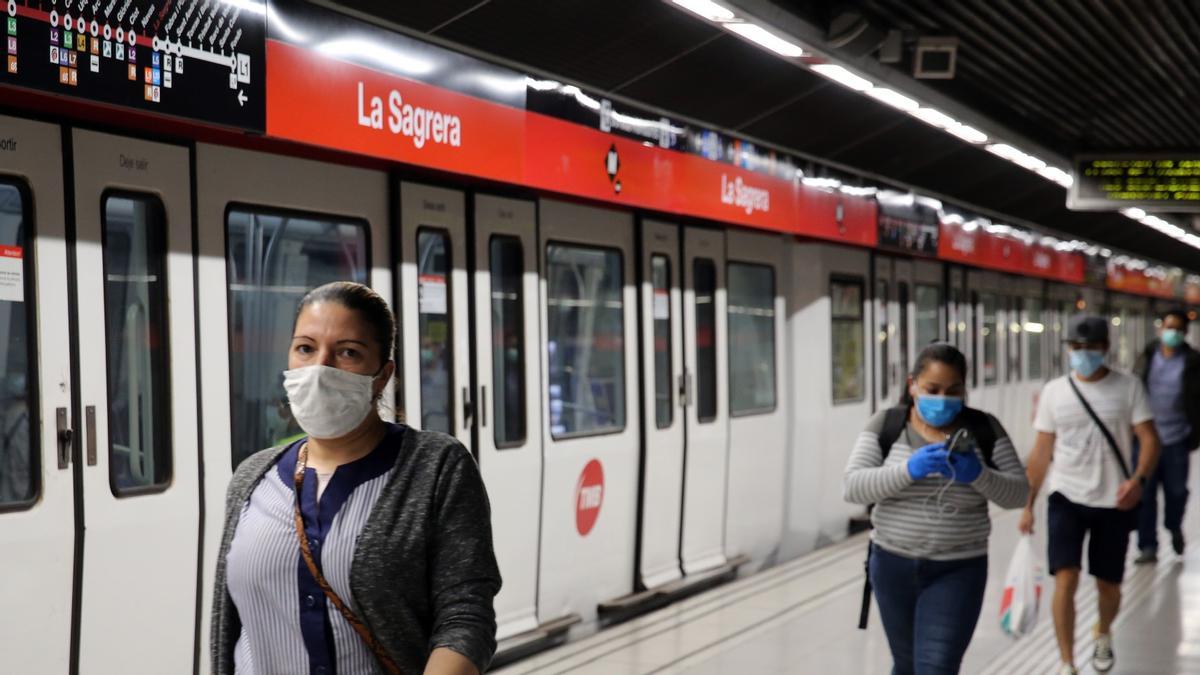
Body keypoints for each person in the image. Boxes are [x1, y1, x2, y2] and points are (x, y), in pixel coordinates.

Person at [211, 281, 501, 675]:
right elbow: (231, 629)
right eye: (306, 348)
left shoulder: (437, 467)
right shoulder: (252, 478)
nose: (320, 368)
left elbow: (466, 615)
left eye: (348, 352)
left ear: (382, 375)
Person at [844, 342, 1029, 675]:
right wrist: (908, 470)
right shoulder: (887, 425)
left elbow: (1017, 493)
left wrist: (978, 474)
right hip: (891, 564)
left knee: (937, 666)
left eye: (953, 390)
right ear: (912, 384)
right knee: (907, 664)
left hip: (957, 568)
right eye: (932, 389)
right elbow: (853, 486)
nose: (942, 398)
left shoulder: (984, 430)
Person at [1019, 315, 1160, 675]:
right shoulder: (1054, 392)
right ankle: (1067, 662)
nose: (1083, 354)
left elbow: (1149, 439)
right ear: (1068, 349)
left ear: (1105, 349)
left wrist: (1139, 479)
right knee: (1065, 577)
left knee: (1108, 585)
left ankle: (1104, 631)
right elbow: (1041, 452)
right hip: (1065, 497)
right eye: (1076, 348)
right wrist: (1028, 504)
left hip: (1114, 500)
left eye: (1091, 348)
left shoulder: (1128, 387)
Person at [1132, 308, 1200, 563]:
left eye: (1177, 329)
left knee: (1176, 491)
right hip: (1145, 438)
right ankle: (1147, 546)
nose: (1171, 333)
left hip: (1176, 439)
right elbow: (1134, 388)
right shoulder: (1148, 356)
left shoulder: (1193, 362)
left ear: (1184, 333)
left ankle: (1174, 526)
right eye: (1168, 327)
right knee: (1145, 492)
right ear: (1160, 328)